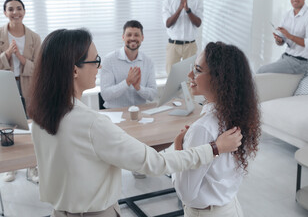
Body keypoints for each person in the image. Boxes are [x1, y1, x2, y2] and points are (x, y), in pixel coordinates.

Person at [27, 28, 242, 216]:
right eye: (96, 61)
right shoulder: (91, 123)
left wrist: (176, 146)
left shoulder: (39, 116)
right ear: (75, 70)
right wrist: (214, 148)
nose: (99, 68)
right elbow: (155, 164)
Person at [172, 42, 261, 217]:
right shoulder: (237, 115)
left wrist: (178, 148)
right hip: (231, 209)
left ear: (219, 78)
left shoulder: (203, 128)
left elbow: (186, 194)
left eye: (197, 70)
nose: (190, 74)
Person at [0, 0, 41, 183]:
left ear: (24, 11)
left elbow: (40, 66)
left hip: (28, 83)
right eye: (11, 9)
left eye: (19, 8)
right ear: (5, 13)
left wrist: (20, 57)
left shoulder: (34, 37)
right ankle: (11, 167)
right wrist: (7, 54)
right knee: (7, 125)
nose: (15, 12)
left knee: (32, 124)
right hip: (6, 83)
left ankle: (33, 167)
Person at [257, 0, 308, 74]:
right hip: (285, 57)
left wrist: (290, 36)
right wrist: (279, 40)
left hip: (299, 63)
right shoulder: (287, 15)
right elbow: (281, 42)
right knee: (264, 74)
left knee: (261, 71)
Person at [100, 20, 157, 109]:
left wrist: (138, 88)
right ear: (123, 37)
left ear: (142, 38)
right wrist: (127, 82)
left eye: (136, 35)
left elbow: (152, 95)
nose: (132, 38)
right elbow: (106, 95)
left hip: (140, 112)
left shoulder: (148, 61)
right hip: (115, 113)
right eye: (129, 35)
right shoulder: (109, 60)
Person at [162, 0, 203, 74]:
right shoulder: (168, 1)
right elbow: (168, 23)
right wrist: (180, 8)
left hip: (190, 46)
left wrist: (187, 9)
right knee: (171, 78)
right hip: (173, 46)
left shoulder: (196, 1)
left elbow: (198, 23)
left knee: (190, 78)